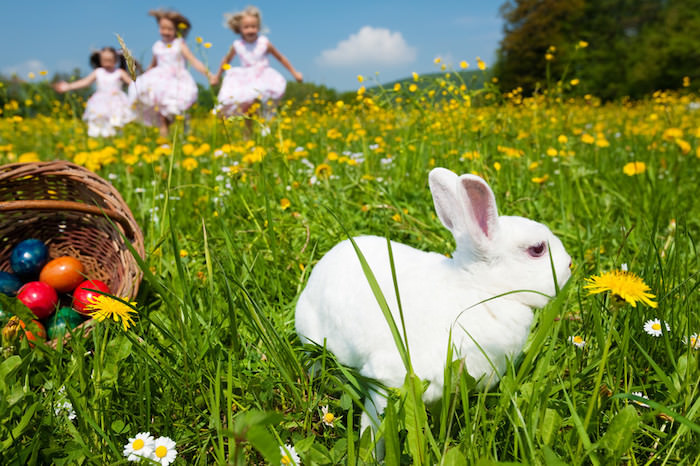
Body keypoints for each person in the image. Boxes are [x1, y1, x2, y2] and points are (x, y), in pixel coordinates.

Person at [210, 5, 302, 127]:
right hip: (245, 79)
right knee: (247, 107)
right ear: (240, 29)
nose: (250, 30)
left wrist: (294, 73)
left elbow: (280, 58)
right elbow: (226, 60)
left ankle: (265, 127)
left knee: (262, 103)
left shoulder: (264, 42)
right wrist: (217, 76)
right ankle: (248, 135)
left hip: (263, 77)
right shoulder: (237, 44)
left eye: (253, 27)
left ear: (258, 28)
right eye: (246, 27)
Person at [130, 9, 210, 137]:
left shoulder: (179, 43)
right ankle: (164, 143)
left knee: (176, 111)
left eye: (169, 29)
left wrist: (209, 75)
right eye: (162, 28)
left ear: (177, 30)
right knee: (163, 115)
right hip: (159, 83)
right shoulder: (157, 45)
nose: (166, 32)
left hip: (177, 81)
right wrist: (142, 77)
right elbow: (153, 64)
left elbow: (193, 61)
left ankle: (183, 134)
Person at [54, 47, 134, 138]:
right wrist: (68, 86)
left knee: (116, 123)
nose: (107, 62)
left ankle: (116, 140)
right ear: (100, 60)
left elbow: (132, 83)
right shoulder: (98, 72)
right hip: (100, 103)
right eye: (104, 60)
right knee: (98, 123)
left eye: (110, 60)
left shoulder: (120, 72)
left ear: (116, 60)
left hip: (117, 102)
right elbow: (85, 82)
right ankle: (98, 141)